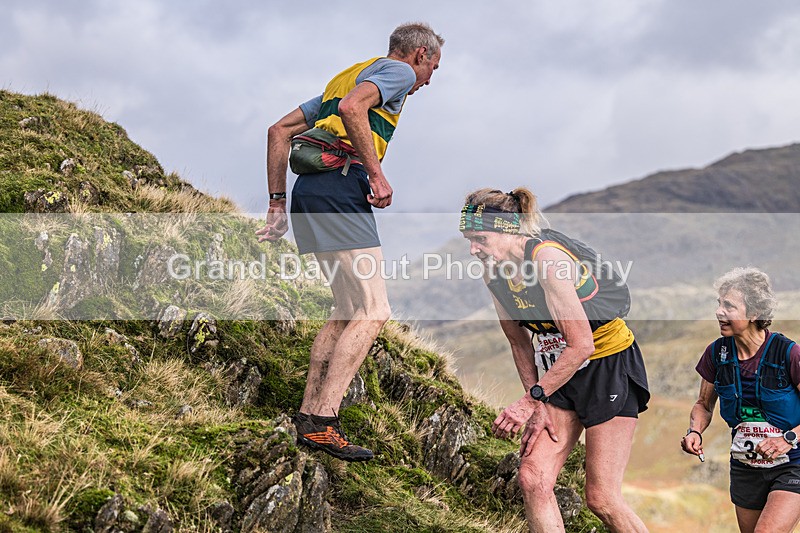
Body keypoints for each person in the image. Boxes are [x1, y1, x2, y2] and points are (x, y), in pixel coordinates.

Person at [255, 23, 444, 461]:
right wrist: (376, 174)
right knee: (375, 311)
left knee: (346, 310)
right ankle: (323, 421)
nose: (430, 79)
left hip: (309, 194)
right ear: (418, 55)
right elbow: (354, 107)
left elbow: (277, 131)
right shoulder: (395, 72)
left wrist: (277, 204)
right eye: (433, 67)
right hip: (343, 186)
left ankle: (308, 417)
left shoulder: (349, 73)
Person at [459, 188, 650, 532]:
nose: (473, 249)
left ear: (509, 230)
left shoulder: (548, 260)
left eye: (480, 238)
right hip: (558, 373)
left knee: (602, 498)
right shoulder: (494, 272)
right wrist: (537, 403)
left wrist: (527, 401)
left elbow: (581, 345)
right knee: (533, 477)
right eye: (468, 239)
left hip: (607, 365)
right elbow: (520, 344)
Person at [681, 267, 800, 532]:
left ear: (754, 313)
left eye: (729, 306)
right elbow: (703, 404)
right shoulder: (717, 353)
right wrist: (695, 431)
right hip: (746, 468)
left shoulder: (788, 353)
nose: (719, 312)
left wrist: (788, 439)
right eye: (719, 304)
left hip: (793, 464)